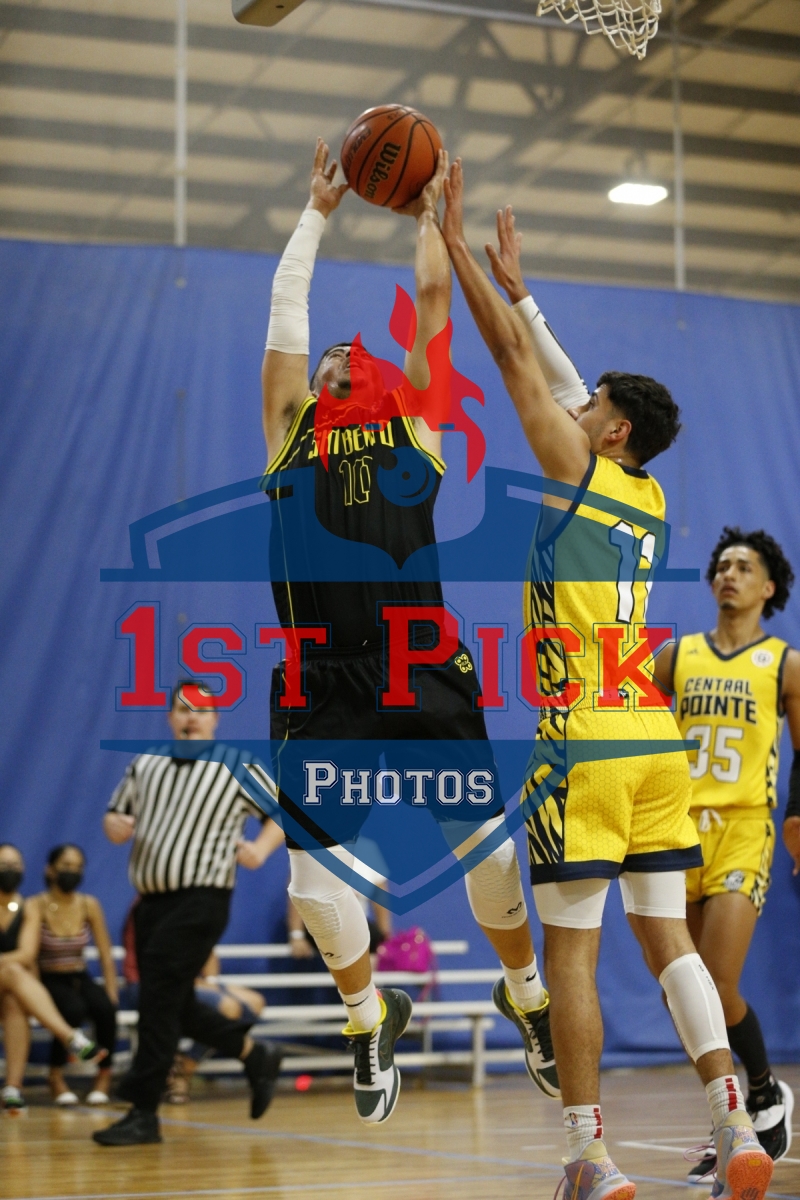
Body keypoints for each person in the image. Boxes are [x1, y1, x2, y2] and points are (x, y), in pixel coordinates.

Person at [441, 169, 773, 1200]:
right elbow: (566, 378)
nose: (573, 406)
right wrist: (525, 290)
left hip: (581, 737)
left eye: (589, 407)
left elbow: (513, 363)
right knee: (669, 943)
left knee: (573, 956)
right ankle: (735, 1122)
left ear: (611, 429)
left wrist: (451, 246)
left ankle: (589, 1155)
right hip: (652, 742)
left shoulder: (574, 466)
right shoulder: (647, 493)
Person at [261, 138, 558, 1125]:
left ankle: (526, 998)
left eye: (356, 353)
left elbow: (432, 305)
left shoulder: (412, 428)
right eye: (330, 357)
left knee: (489, 853)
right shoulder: (290, 428)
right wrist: (316, 214)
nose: (340, 355)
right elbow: (285, 315)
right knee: (313, 886)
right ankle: (366, 1016)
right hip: (319, 678)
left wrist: (430, 215)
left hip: (420, 665)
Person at [653, 527, 799, 1176]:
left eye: (743, 566)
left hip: (744, 826)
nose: (729, 574)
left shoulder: (784, 663)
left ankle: (753, 1098)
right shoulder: (676, 656)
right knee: (681, 992)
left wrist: (796, 819)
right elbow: (634, 726)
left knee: (716, 978)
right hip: (678, 827)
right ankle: (741, 1108)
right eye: (722, 565)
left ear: (768, 587)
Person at [93, 681, 285, 1146]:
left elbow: (283, 812)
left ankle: (143, 1109)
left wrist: (260, 849)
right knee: (168, 1000)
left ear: (215, 719)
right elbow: (114, 819)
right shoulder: (146, 764)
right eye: (182, 709)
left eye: (201, 710)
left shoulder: (236, 766)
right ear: (170, 717)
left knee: (158, 998)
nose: (191, 716)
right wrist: (114, 825)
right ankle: (253, 1053)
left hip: (202, 899)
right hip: (150, 904)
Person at [0, 843, 103, 1110]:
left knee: (14, 1001)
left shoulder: (27, 907)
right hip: (11, 976)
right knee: (12, 971)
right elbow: (18, 960)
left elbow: (26, 954)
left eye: (15, 865)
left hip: (7, 988)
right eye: (4, 865)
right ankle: (69, 1036)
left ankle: (13, 1087)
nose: (10, 870)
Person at [34, 843, 117, 1106]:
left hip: (79, 975)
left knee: (105, 1008)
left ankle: (104, 1075)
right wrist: (35, 992)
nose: (73, 872)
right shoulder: (36, 905)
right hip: (49, 977)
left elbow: (105, 953)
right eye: (66, 866)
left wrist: (111, 991)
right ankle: (55, 1075)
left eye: (78, 867)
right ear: (51, 869)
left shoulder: (88, 904)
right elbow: (30, 954)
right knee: (72, 1010)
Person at [167, 951, 267, 1104]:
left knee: (255, 1002)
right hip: (167, 982)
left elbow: (207, 950)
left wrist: (211, 982)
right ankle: (182, 1073)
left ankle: (187, 1064)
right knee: (228, 1009)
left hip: (192, 981)